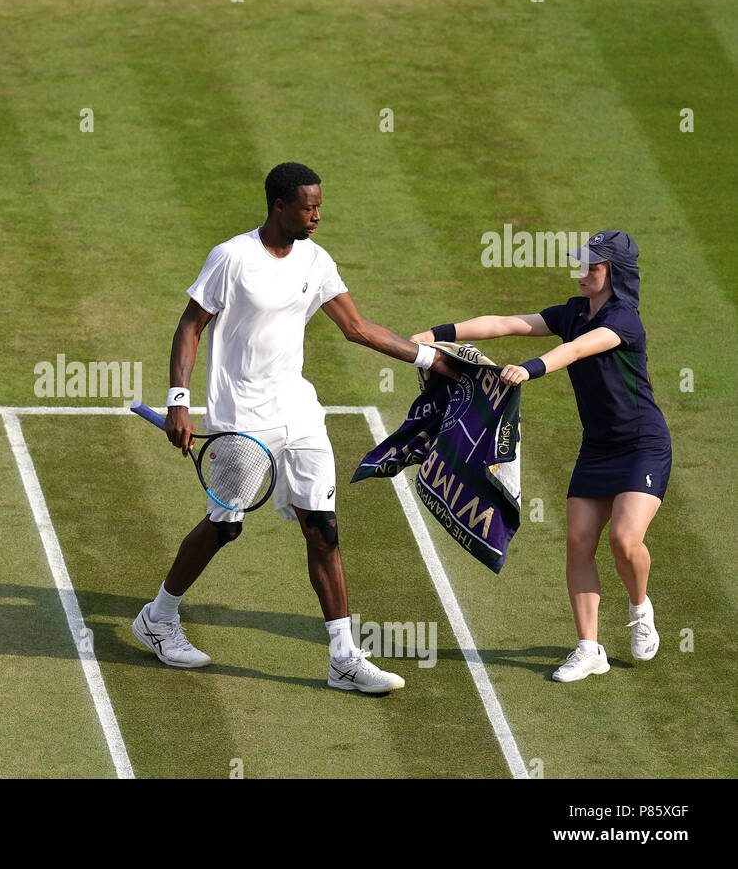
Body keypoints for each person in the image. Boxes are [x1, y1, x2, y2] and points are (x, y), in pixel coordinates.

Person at [133, 162, 456, 693]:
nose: (318, 216)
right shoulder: (232, 258)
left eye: (319, 205)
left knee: (323, 530)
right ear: (279, 206)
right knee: (225, 525)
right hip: (242, 418)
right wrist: (179, 402)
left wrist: (427, 359)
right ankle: (157, 617)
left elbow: (356, 327)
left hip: (299, 412)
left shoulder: (314, 258)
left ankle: (343, 658)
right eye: (308, 207)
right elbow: (191, 325)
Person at [412, 230, 668, 682]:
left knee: (625, 541)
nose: (583, 271)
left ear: (616, 273)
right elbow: (505, 322)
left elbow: (577, 349)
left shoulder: (624, 319)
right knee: (578, 542)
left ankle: (639, 609)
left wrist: (529, 369)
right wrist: (432, 336)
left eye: (594, 265)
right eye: (582, 262)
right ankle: (589, 648)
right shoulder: (572, 311)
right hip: (598, 447)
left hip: (642, 446)